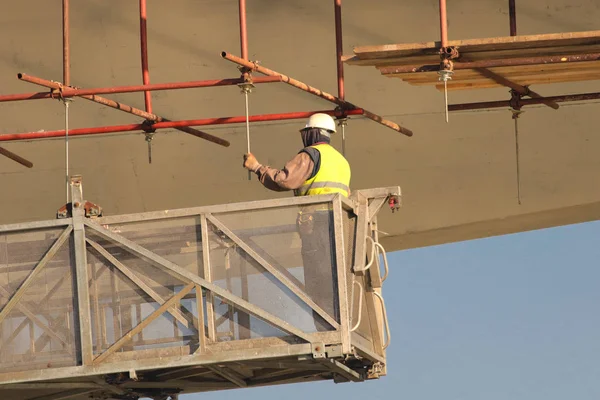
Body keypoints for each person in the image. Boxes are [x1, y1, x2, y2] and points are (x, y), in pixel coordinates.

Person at [242, 113, 351, 332]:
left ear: (312, 132)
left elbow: (285, 180)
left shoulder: (310, 155)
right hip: (339, 225)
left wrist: (257, 168)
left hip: (317, 226)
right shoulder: (341, 160)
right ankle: (341, 327)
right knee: (335, 280)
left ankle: (326, 331)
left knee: (318, 281)